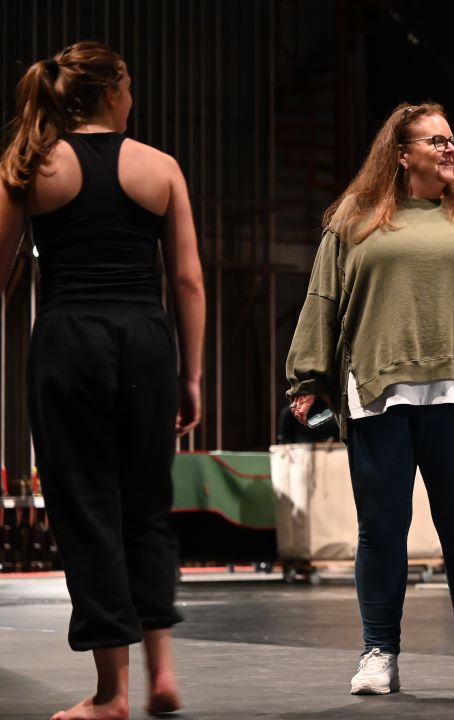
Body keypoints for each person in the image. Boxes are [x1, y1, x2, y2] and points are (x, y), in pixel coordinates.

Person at [285, 102, 454, 697]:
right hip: (378, 395)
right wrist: (308, 378)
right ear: (401, 154)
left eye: (452, 141)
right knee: (382, 529)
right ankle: (379, 653)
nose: (449, 149)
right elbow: (323, 300)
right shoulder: (354, 219)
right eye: (436, 141)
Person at [0, 41, 205, 720]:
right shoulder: (161, 167)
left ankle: (112, 694)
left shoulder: (29, 164)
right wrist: (192, 375)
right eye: (131, 88)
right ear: (115, 92)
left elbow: (0, 277)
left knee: (86, 510)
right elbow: (187, 282)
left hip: (69, 341)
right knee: (146, 508)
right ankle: (163, 673)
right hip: (146, 342)